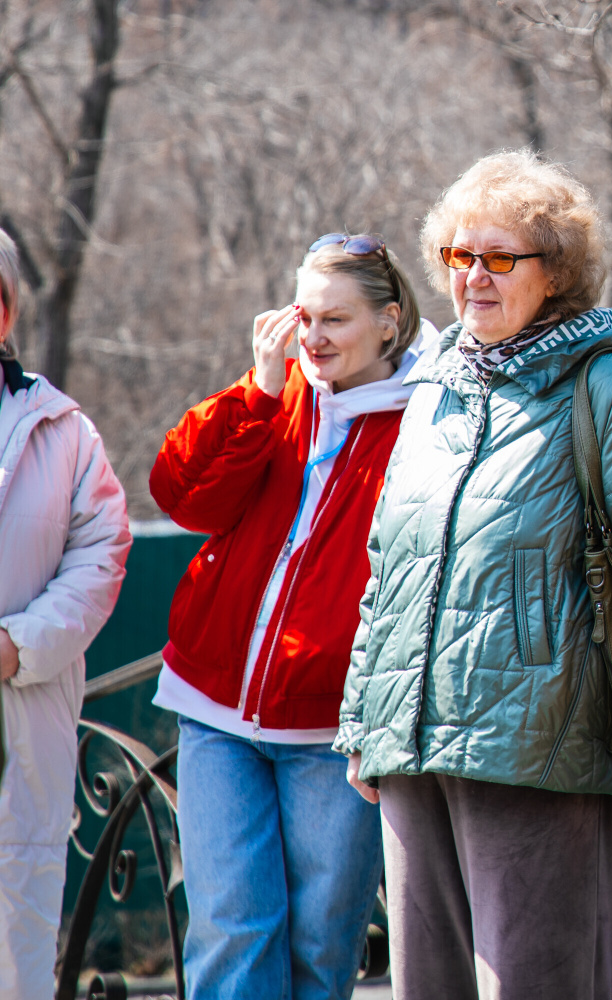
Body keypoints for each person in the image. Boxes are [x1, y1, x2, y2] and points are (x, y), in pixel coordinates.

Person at [333, 150, 612, 1000]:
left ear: (555, 271)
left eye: (500, 258)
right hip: (411, 746)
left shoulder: (610, 387)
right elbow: (388, 570)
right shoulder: (432, 394)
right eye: (460, 257)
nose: (474, 278)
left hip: (541, 747)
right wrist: (363, 722)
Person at [150, 233, 431, 999]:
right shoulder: (279, 394)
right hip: (215, 711)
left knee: (319, 949)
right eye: (304, 316)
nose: (313, 337)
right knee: (233, 934)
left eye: (336, 320)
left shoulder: (429, 419)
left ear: (388, 320)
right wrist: (256, 395)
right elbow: (182, 496)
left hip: (330, 731)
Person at [0, 230, 131, 999]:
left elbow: (101, 551)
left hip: (23, 724)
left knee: (16, 947)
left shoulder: (62, 429)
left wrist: (20, 646)